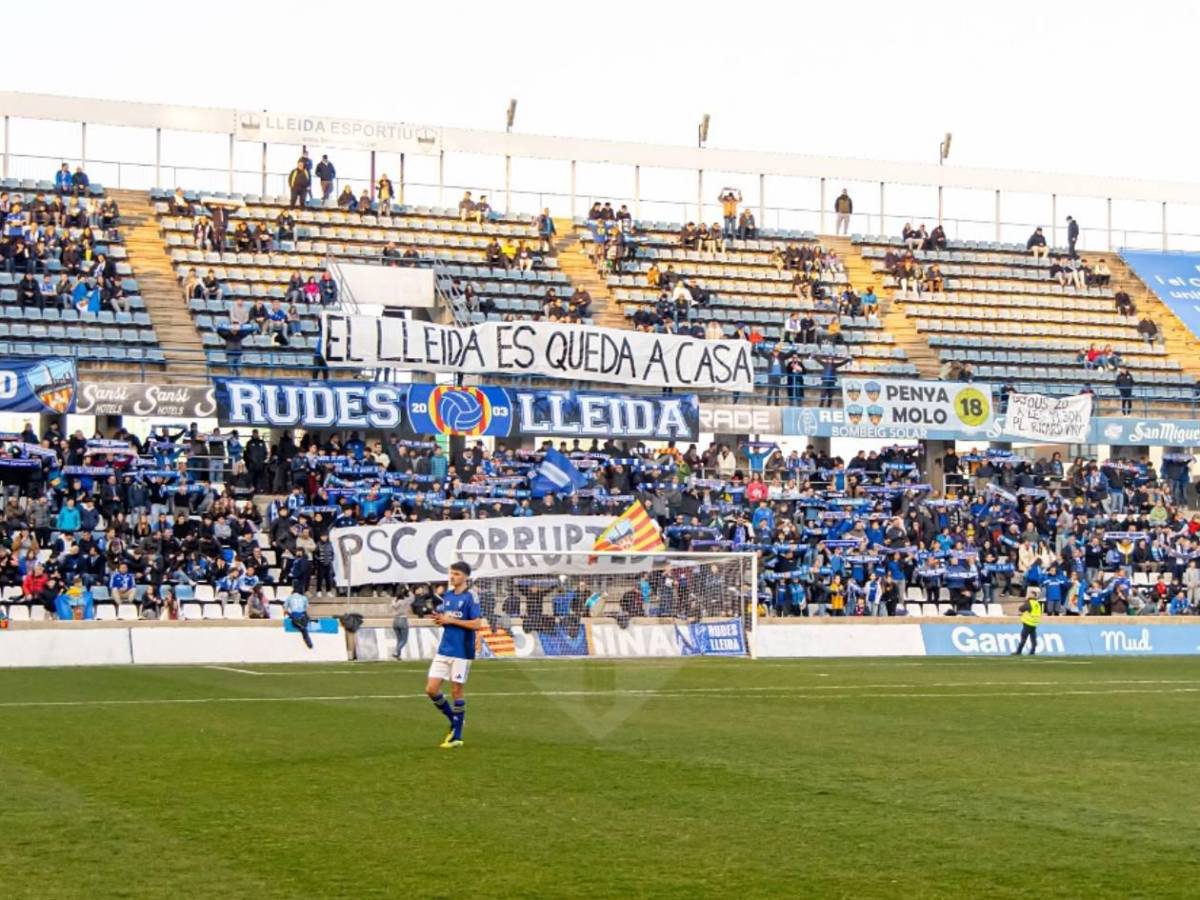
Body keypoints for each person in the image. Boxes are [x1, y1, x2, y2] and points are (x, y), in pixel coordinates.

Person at [424, 561, 484, 749]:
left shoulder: (471, 596)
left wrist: (450, 620)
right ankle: (455, 720)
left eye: (457, 574)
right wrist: (441, 620)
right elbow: (448, 620)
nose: (452, 577)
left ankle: (457, 737)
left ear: (465, 577)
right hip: (445, 649)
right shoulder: (448, 596)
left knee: (456, 690)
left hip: (462, 650)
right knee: (431, 689)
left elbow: (476, 624)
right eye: (451, 573)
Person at [1013, 588, 1042, 656]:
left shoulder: (1029, 602)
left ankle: (1018, 651)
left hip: (1028, 623)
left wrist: (1026, 601)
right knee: (1033, 638)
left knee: (1023, 638)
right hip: (1034, 623)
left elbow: (1021, 608)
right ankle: (1032, 651)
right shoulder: (1037, 603)